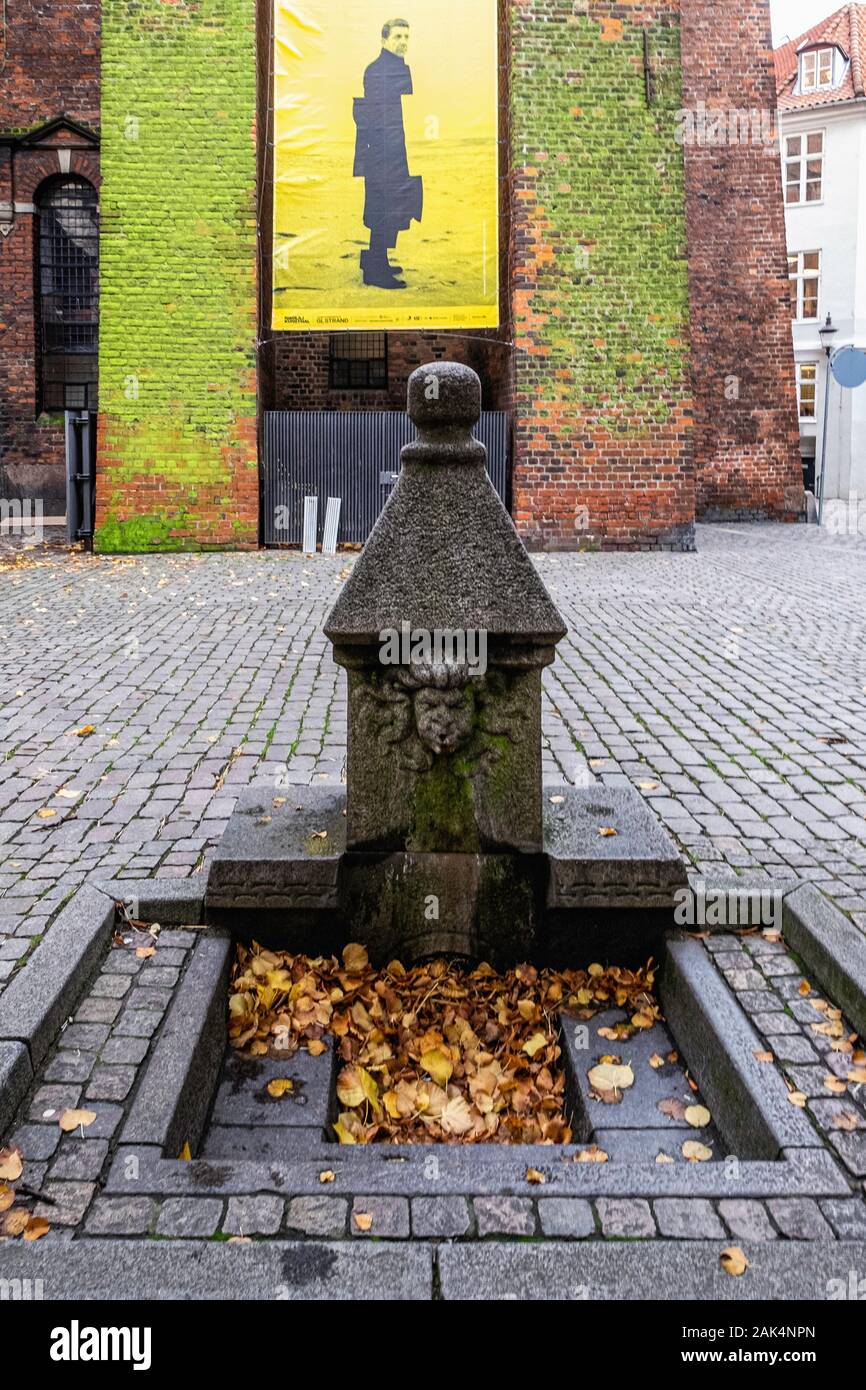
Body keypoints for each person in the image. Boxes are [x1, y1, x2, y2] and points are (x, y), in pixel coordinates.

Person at [353, 18, 423, 289]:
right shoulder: (377, 71)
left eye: (406, 36)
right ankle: (374, 271)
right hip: (381, 155)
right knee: (382, 208)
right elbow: (375, 118)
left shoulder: (399, 69)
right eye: (397, 37)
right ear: (383, 41)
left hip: (396, 151)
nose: (403, 41)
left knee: (395, 207)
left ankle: (376, 260)